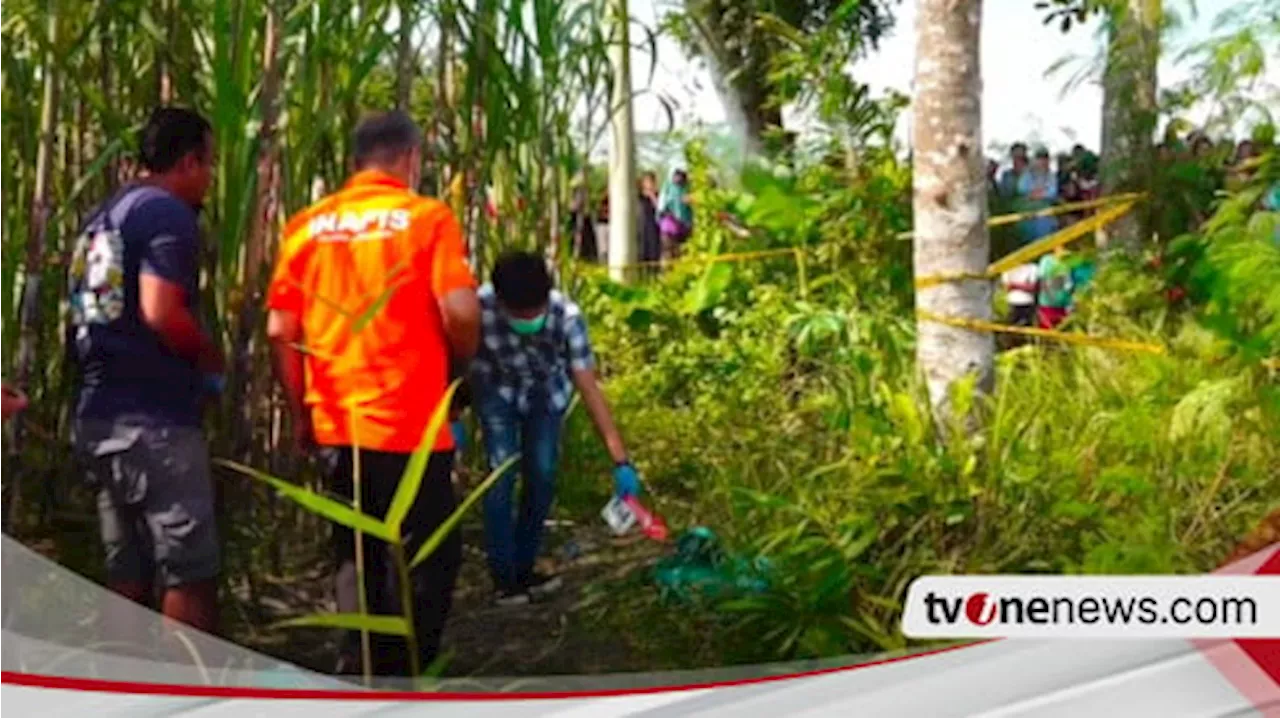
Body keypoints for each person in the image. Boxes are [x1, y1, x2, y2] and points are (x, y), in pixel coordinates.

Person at [265, 110, 481, 677]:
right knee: (430, 554)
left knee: (354, 554)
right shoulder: (425, 217)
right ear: (409, 160)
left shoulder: (307, 225)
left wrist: (301, 412)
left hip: (337, 420)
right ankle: (412, 669)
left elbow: (280, 330)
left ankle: (359, 670)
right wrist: (460, 364)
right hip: (412, 422)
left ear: (356, 162)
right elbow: (459, 309)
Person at [66, 107, 224, 635]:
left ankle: (124, 689)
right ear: (187, 162)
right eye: (209, 165)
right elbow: (160, 311)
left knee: (127, 570)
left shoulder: (103, 216)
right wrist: (208, 355)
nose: (210, 179)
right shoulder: (166, 214)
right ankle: (189, 693)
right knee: (189, 571)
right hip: (152, 422)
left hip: (99, 416)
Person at [468, 251, 643, 606]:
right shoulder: (478, 309)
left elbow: (588, 386)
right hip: (495, 393)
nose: (529, 320)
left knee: (543, 475)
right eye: (519, 314)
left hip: (545, 398)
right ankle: (504, 579)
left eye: (536, 311)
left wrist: (620, 459)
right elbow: (457, 356)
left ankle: (525, 565)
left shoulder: (567, 315)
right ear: (500, 301)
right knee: (499, 477)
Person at [1016, 147, 1059, 244]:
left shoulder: (1051, 176)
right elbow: (1022, 189)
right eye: (1040, 159)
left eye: (1045, 159)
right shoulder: (1027, 174)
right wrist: (1041, 192)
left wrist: (1035, 194)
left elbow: (1052, 192)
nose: (1043, 162)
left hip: (1045, 215)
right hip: (1028, 213)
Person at [658, 169, 693, 263]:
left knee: (682, 253)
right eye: (676, 177)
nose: (678, 180)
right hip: (670, 228)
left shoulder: (687, 189)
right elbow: (661, 208)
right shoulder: (668, 188)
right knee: (669, 253)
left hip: (684, 226)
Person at [638, 171, 662, 268]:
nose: (648, 184)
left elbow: (660, 208)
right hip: (641, 225)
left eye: (650, 181)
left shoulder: (657, 195)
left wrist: (652, 195)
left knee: (653, 249)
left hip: (653, 225)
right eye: (646, 181)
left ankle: (654, 271)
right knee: (642, 250)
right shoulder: (639, 196)